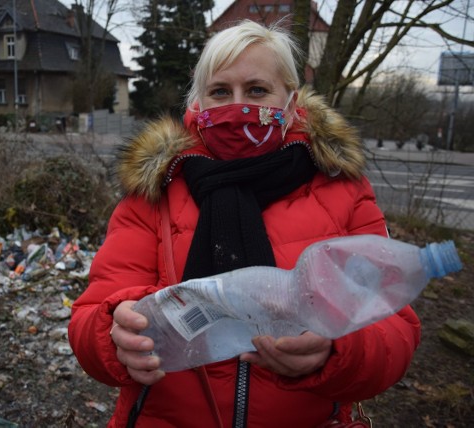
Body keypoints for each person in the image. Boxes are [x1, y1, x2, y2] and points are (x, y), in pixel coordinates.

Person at [68, 20, 421, 427]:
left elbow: (395, 327)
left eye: (257, 90)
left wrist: (339, 349)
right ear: (198, 105)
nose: (238, 107)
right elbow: (89, 319)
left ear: (290, 102)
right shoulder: (154, 193)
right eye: (220, 91)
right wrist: (114, 335)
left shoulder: (342, 191)